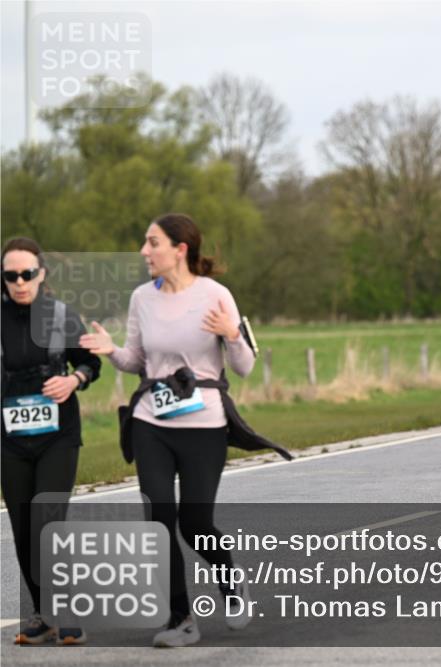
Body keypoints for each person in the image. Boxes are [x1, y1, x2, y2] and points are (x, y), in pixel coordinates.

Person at [80, 213, 291, 647]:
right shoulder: (142, 298)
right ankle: (181, 620)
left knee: (195, 523)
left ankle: (231, 584)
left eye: (152, 243)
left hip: (204, 423)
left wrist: (232, 333)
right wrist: (111, 351)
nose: (144, 251)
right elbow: (137, 360)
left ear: (180, 249)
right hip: (151, 421)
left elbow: (245, 367)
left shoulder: (216, 295)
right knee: (159, 519)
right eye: (144, 243)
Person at [2, 238, 101, 646]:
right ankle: (43, 616)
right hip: (9, 440)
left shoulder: (61, 315)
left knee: (48, 523)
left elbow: (90, 362)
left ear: (42, 275)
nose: (20, 282)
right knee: (24, 530)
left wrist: (74, 379)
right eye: (11, 276)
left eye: (28, 274)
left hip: (58, 436)